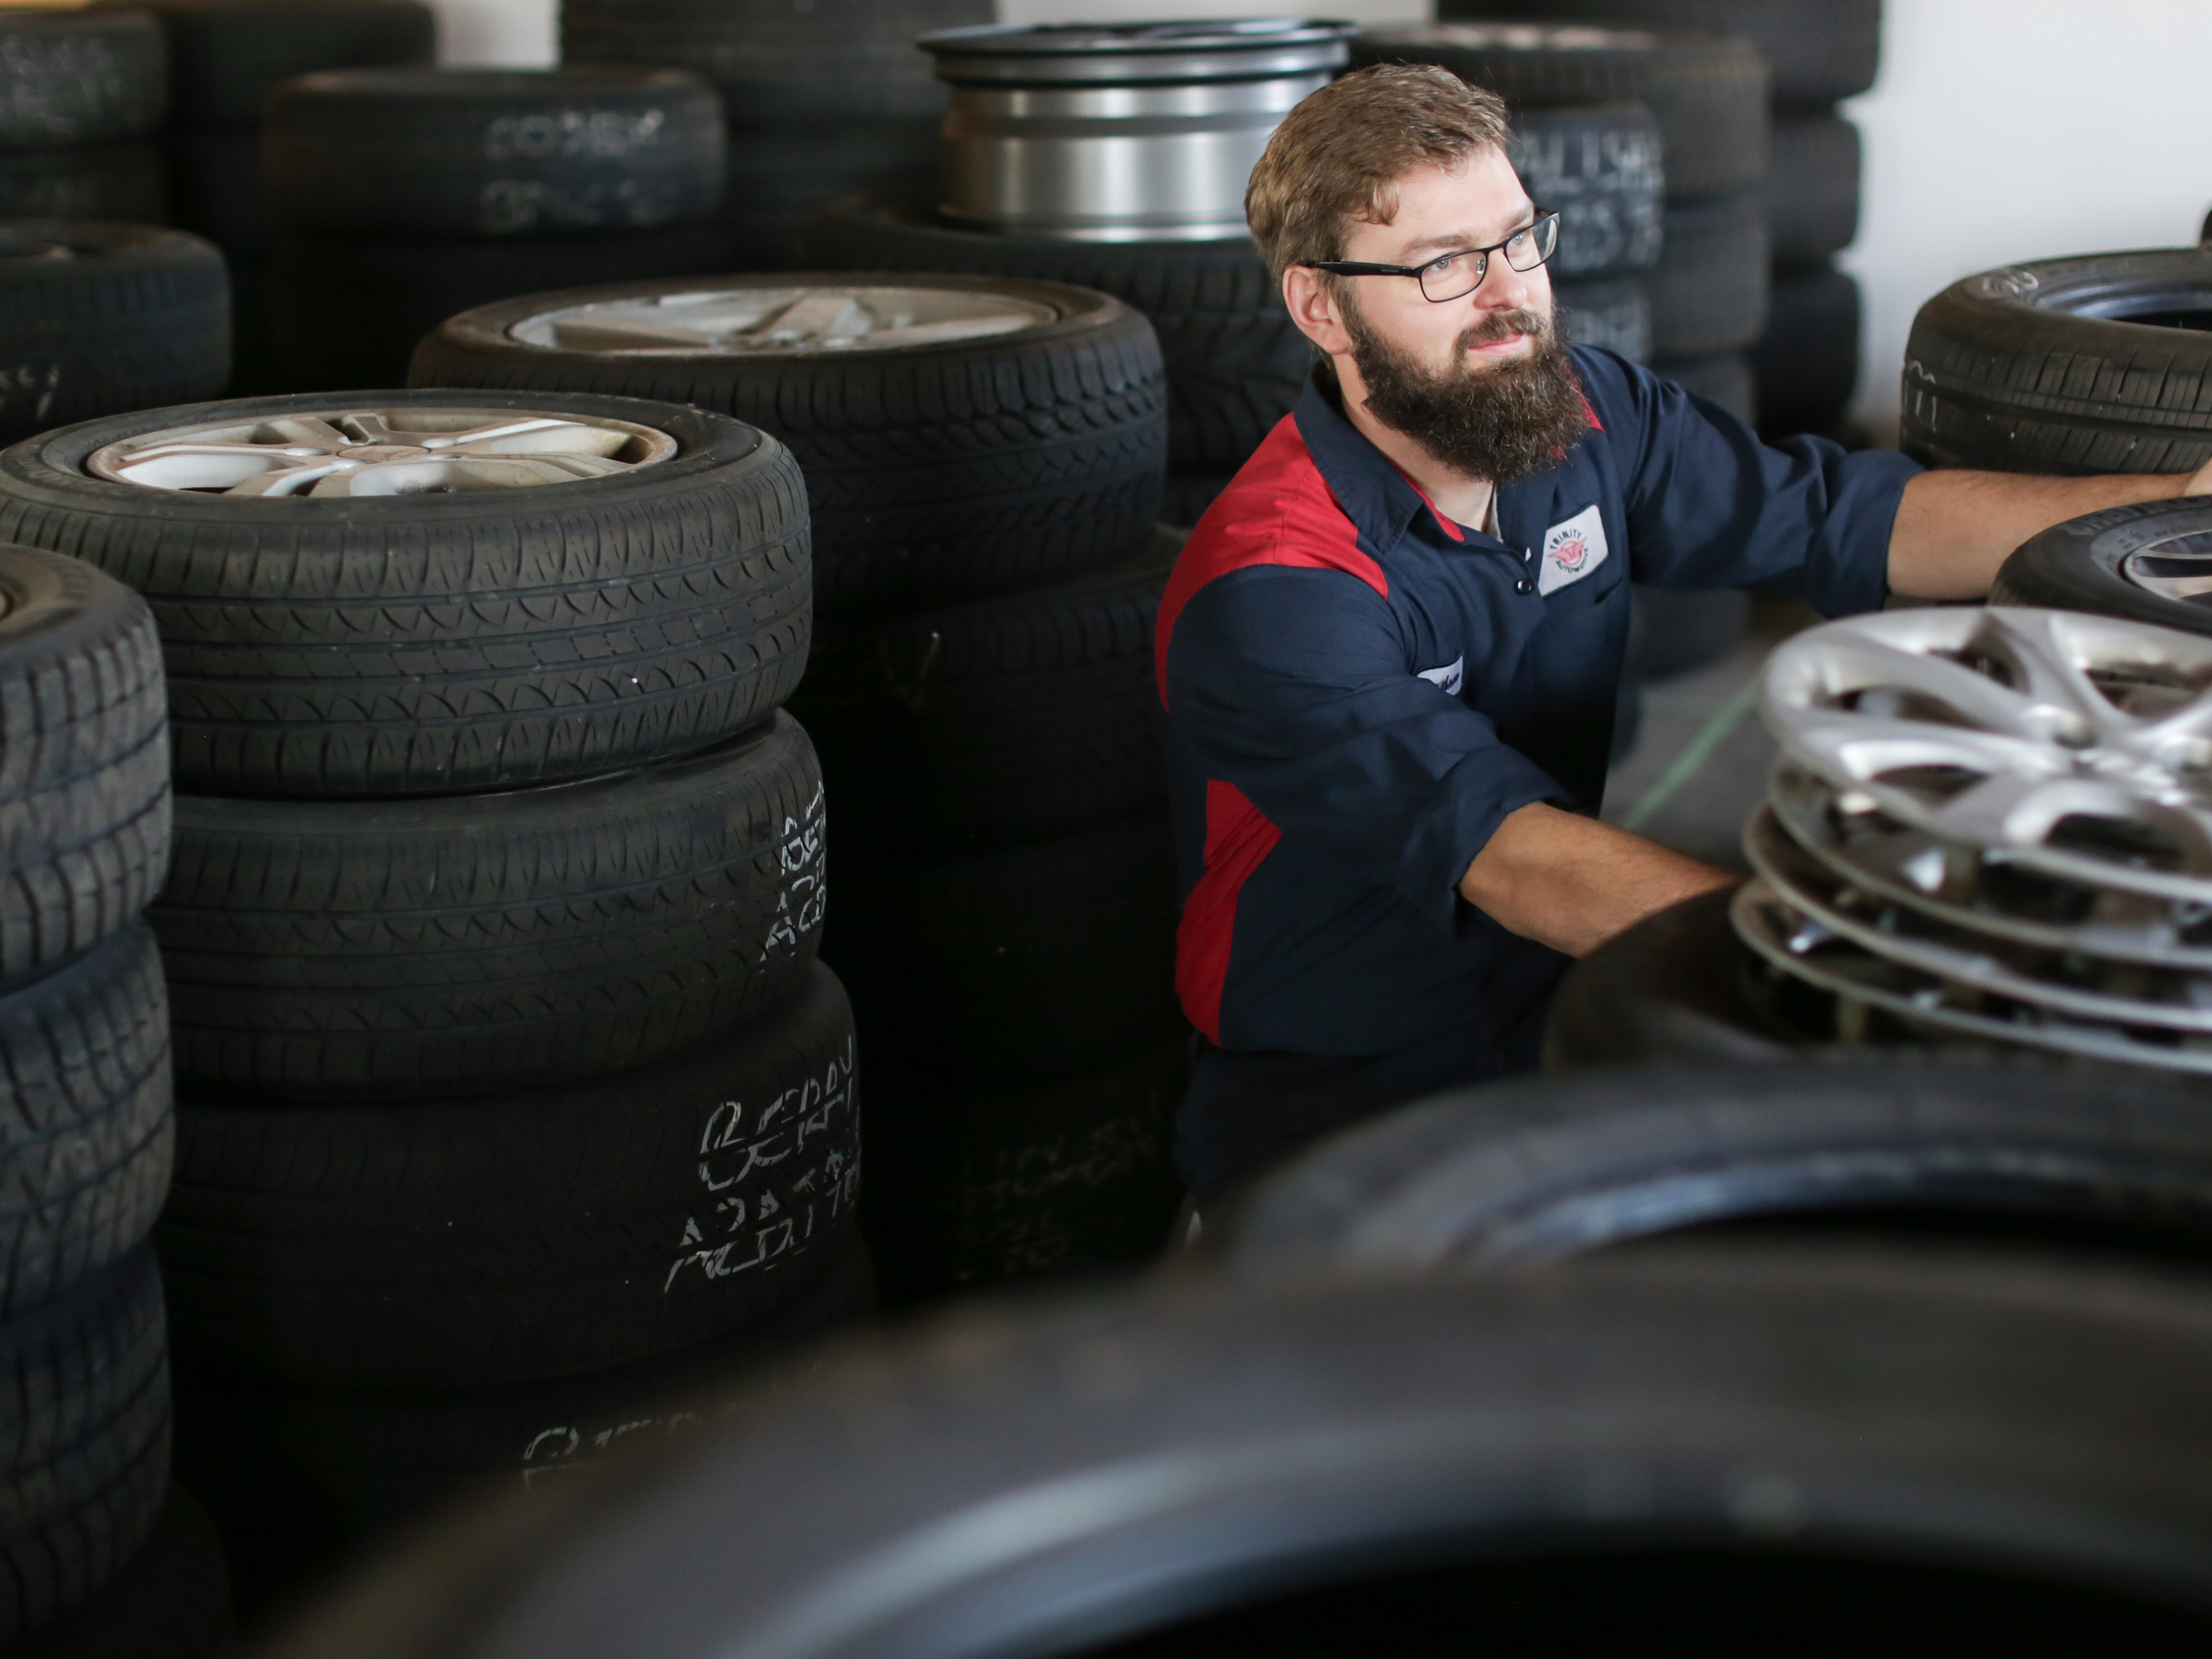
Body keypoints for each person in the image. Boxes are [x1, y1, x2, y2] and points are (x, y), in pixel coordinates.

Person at [1160, 64, 2212, 1206]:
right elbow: (1510, 855)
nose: (1508, 295)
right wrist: (1872, 965)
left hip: (1567, 991)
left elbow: (1846, 517)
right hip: (1338, 1073)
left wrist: (2171, 513)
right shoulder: (1272, 585)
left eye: (1518, 240)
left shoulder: (1586, 416)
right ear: (1321, 307)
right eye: (1443, 265)